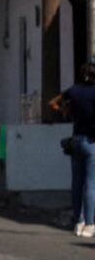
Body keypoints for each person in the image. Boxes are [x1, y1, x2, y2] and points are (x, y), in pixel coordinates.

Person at [52, 60, 95, 238]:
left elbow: (53, 103)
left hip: (76, 140)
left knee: (77, 183)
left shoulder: (75, 90)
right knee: (91, 184)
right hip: (91, 142)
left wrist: (66, 112)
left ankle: (78, 222)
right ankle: (90, 224)